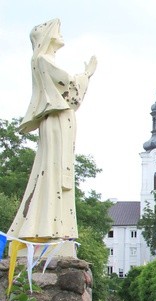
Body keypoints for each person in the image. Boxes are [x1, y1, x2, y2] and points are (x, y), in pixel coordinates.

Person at [8, 19, 96, 255]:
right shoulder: (43, 60)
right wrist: (86, 75)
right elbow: (69, 86)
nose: (61, 34)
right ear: (48, 36)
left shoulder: (40, 61)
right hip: (57, 119)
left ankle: (52, 226)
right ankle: (45, 227)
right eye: (58, 31)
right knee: (53, 172)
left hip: (58, 119)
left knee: (54, 173)